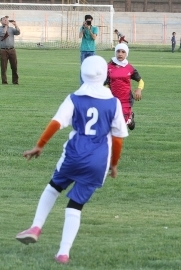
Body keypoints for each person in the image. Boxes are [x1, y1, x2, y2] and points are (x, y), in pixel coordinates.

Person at [15, 55, 129, 264]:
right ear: (104, 75)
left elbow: (56, 123)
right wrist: (114, 164)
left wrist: (40, 145)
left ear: (83, 73)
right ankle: (63, 253)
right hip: (98, 161)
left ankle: (36, 226)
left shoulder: (74, 98)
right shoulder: (113, 103)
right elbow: (119, 138)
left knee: (53, 187)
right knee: (75, 206)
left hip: (74, 153)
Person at [105, 43, 144, 131]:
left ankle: (129, 118)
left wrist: (139, 89)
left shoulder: (129, 68)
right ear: (115, 52)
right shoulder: (108, 67)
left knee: (122, 123)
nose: (120, 54)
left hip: (126, 98)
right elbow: (106, 82)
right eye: (118, 51)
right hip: (113, 98)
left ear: (126, 54)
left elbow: (141, 81)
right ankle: (129, 118)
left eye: (123, 52)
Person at [0, 16, 20, 85]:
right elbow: (2, 34)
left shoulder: (11, 29)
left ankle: (15, 81)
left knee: (14, 66)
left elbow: (18, 32)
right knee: (3, 67)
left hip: (12, 50)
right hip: (3, 50)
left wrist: (15, 25)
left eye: (7, 20)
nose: (6, 21)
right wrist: (6, 27)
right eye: (4, 20)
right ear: (1, 21)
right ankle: (4, 82)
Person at [79, 14, 98, 85]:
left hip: (91, 50)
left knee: (92, 67)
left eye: (90, 21)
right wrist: (84, 28)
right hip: (83, 50)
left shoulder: (95, 28)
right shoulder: (82, 28)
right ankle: (82, 83)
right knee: (83, 67)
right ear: (85, 21)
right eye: (87, 21)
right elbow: (80, 36)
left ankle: (91, 82)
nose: (89, 22)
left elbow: (94, 38)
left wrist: (89, 29)